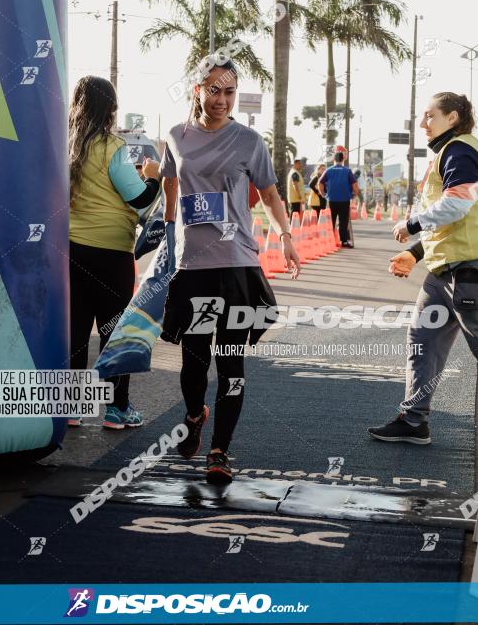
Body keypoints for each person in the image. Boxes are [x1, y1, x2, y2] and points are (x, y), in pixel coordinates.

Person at [159, 58, 301, 484]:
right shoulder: (176, 136)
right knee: (194, 364)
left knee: (231, 363)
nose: (222, 100)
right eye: (214, 90)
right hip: (195, 267)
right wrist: (168, 231)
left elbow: (272, 196)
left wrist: (287, 237)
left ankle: (220, 450)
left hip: (236, 265)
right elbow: (170, 182)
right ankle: (193, 413)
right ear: (197, 89)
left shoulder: (248, 141)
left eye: (230, 92)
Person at [368, 92, 478, 444]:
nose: (422, 123)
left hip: (468, 272)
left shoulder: (460, 150)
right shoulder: (451, 152)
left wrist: (412, 223)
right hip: (442, 272)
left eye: (430, 115)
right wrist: (415, 253)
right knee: (422, 340)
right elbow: (453, 220)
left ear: (453, 118)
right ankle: (414, 421)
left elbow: (458, 204)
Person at [68, 76, 160, 429]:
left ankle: (73, 408)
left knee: (77, 330)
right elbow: (138, 198)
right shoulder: (112, 147)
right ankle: (116, 409)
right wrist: (151, 176)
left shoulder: (67, 146)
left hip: (73, 251)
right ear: (110, 109)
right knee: (114, 332)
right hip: (111, 253)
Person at [318, 151, 359, 247]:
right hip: (344, 200)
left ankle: (329, 241)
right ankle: (343, 241)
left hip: (331, 200)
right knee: (343, 221)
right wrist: (355, 195)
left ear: (334, 159)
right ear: (343, 159)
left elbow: (320, 183)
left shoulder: (328, 170)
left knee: (330, 221)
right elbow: (355, 185)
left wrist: (323, 194)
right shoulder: (347, 171)